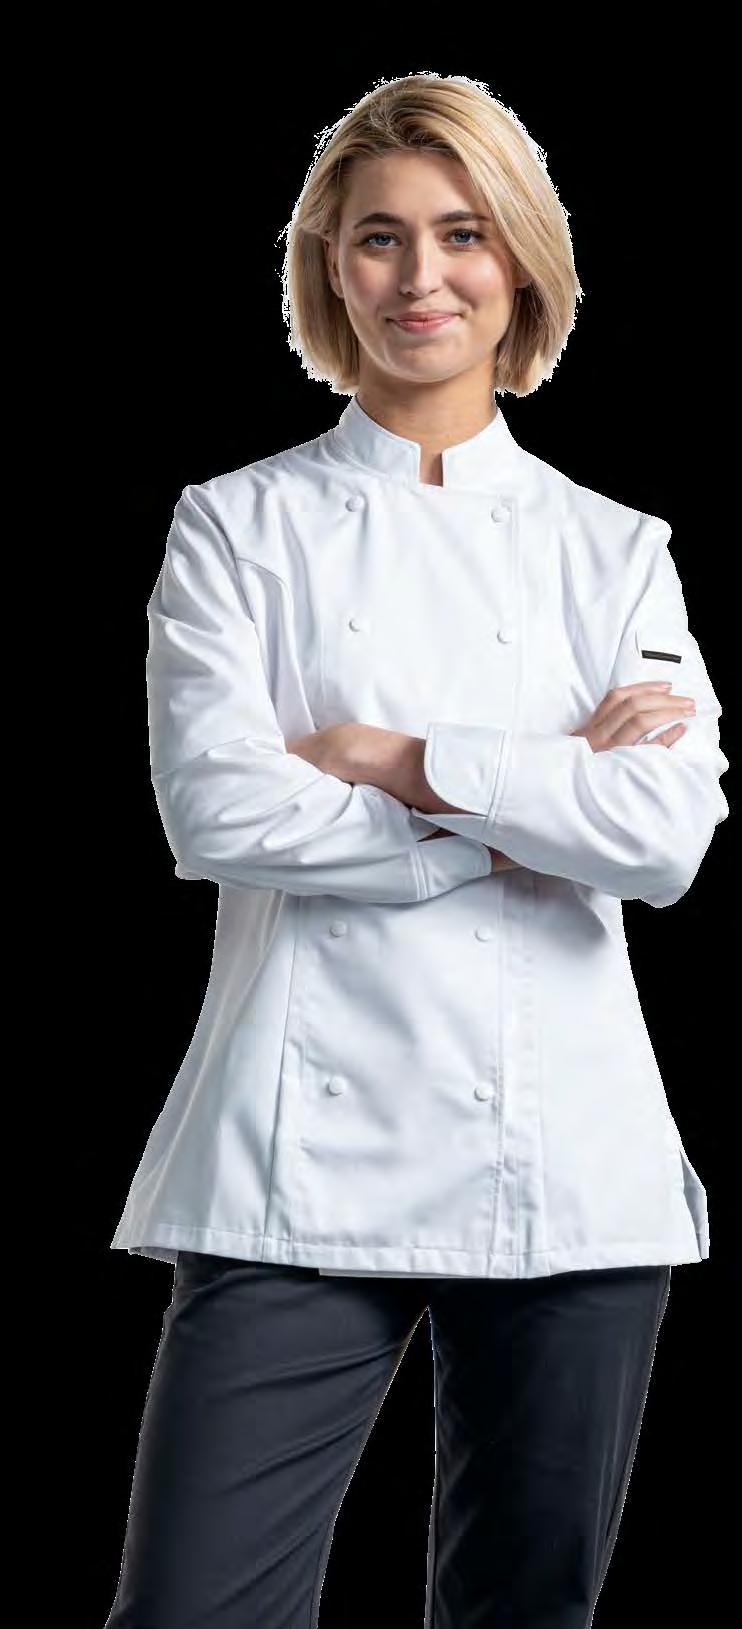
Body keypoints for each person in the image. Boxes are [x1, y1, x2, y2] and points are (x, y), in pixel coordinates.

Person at [104, 72, 728, 1628]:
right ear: (328, 265)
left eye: (460, 234)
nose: (418, 277)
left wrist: (400, 761)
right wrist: (528, 814)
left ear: (519, 262)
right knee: (190, 1608)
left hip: (565, 1158)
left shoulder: (612, 549)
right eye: (376, 237)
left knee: (525, 1611)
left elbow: (661, 837)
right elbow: (220, 811)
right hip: (290, 1160)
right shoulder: (236, 527)